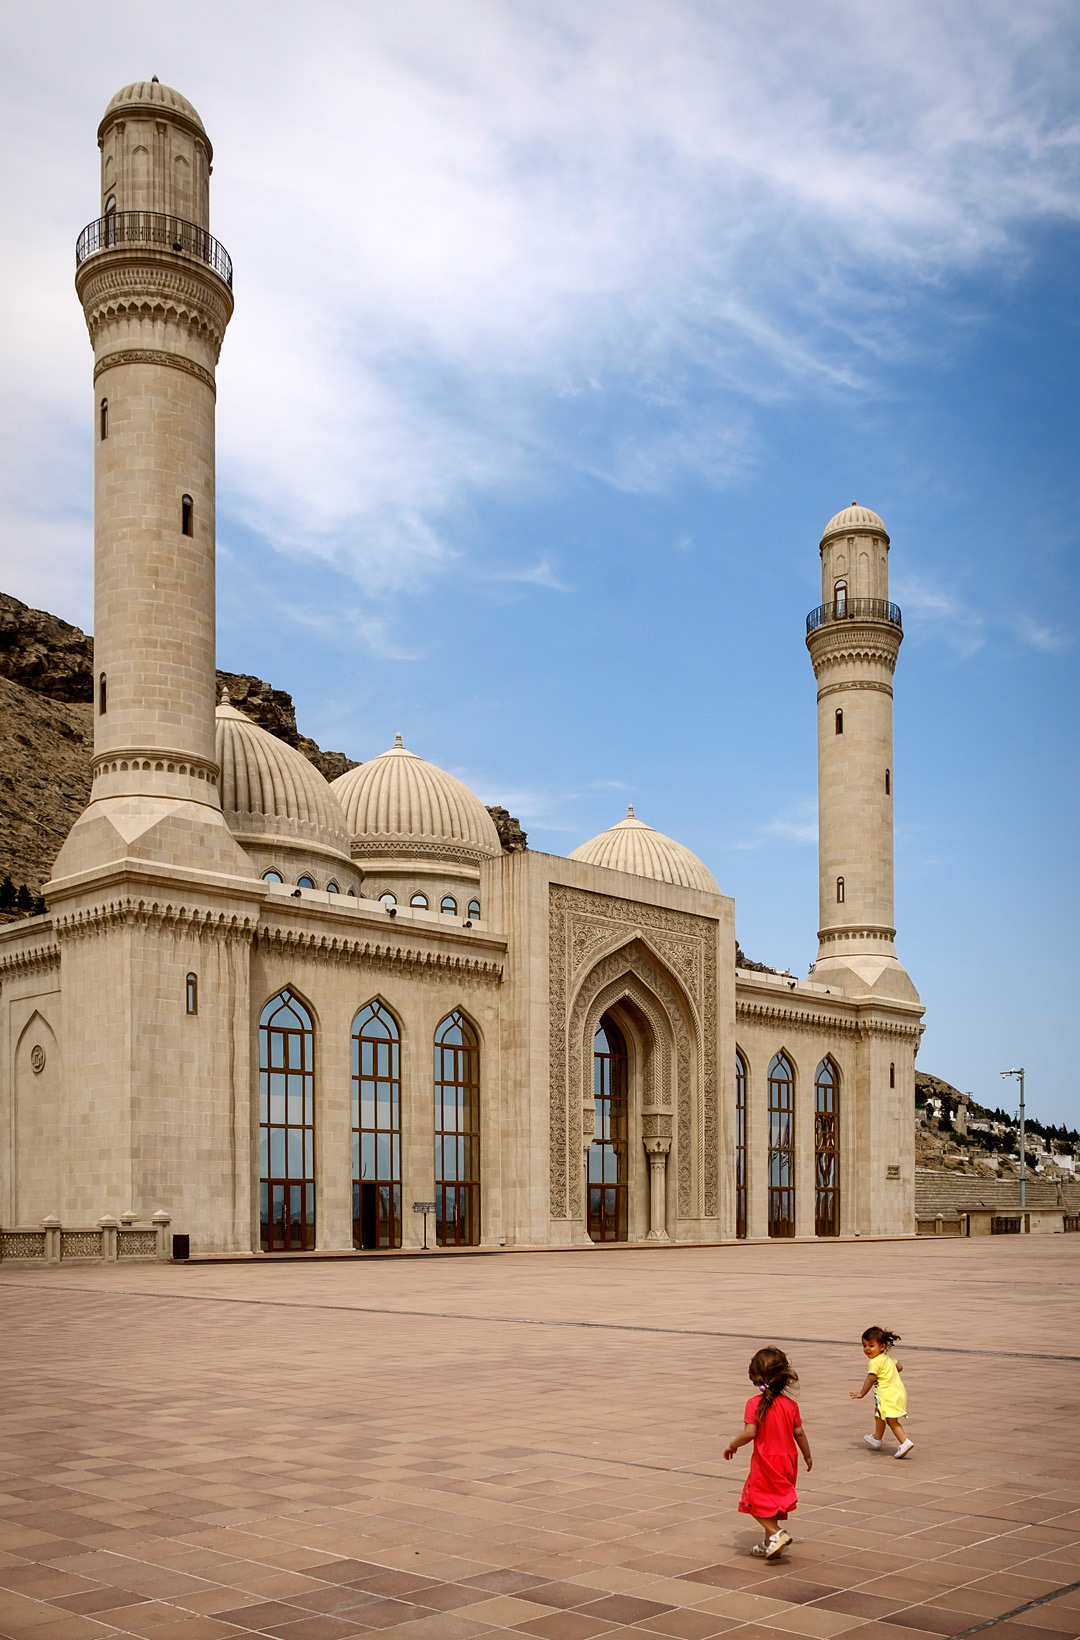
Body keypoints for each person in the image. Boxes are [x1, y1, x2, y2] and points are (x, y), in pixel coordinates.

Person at [723, 1346, 812, 1559]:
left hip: (766, 1460)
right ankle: (768, 1543)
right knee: (772, 1502)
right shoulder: (790, 1405)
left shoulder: (754, 1404)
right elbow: (799, 1433)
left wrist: (732, 1445)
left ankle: (777, 1533)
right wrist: (807, 1455)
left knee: (753, 1500)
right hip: (788, 1460)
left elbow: (749, 1433)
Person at [850, 1326, 913, 1457]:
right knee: (879, 1415)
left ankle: (904, 1442)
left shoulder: (875, 1362)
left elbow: (870, 1379)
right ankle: (876, 1439)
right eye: (864, 1345)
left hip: (886, 1394)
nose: (867, 1349)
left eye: (871, 1345)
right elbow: (900, 1367)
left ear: (882, 1346)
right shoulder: (888, 1357)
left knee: (891, 1420)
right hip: (898, 1391)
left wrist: (862, 1393)